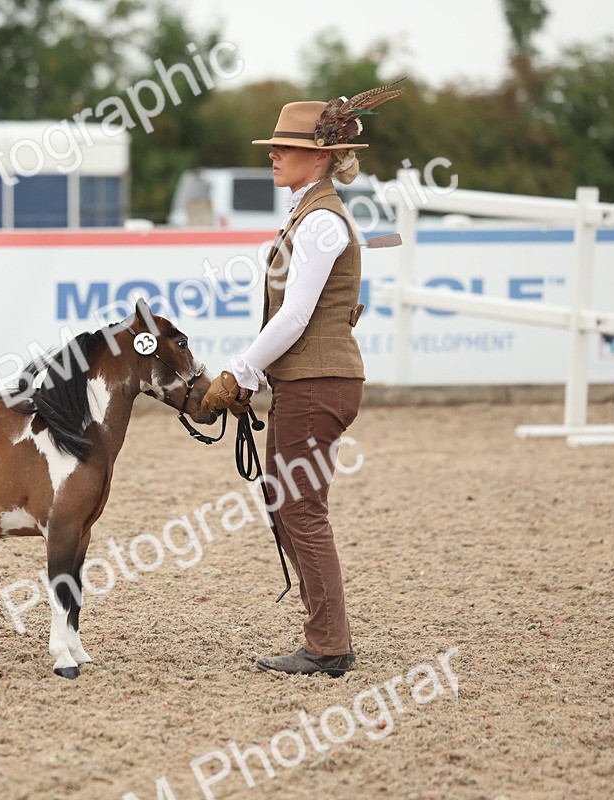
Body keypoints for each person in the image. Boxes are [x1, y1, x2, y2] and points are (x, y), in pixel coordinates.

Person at [205, 80, 405, 678]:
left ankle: (327, 644)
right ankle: (325, 636)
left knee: (300, 506)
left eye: (284, 147)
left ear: (319, 156)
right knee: (285, 497)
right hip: (310, 381)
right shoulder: (310, 215)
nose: (272, 155)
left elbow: (295, 316)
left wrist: (241, 372)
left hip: (318, 382)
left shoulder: (320, 223)